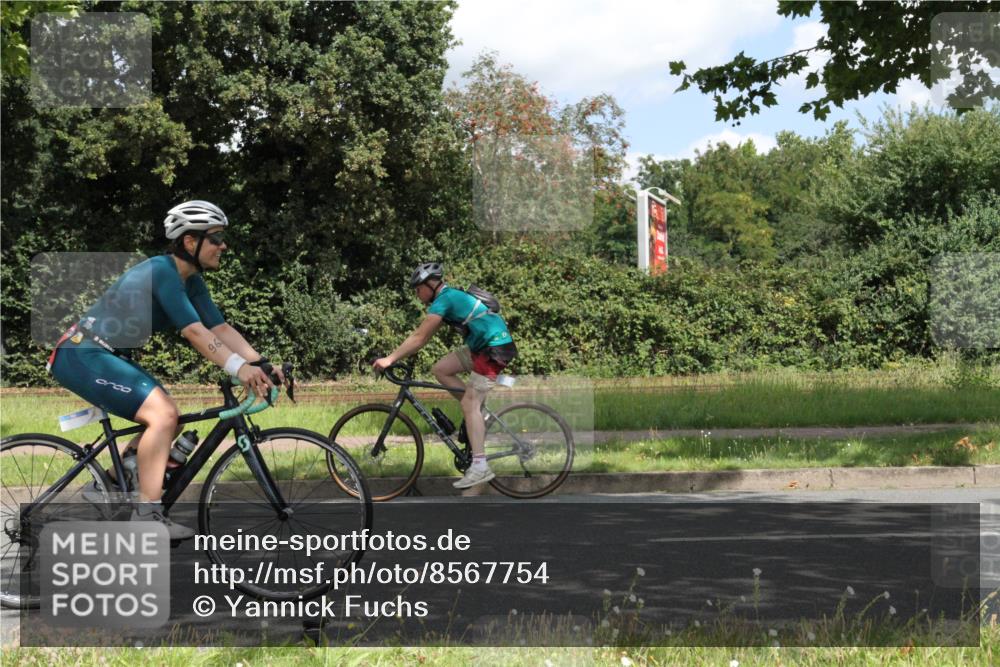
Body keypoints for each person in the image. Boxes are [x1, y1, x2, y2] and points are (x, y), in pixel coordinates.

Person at [48, 200, 281, 539]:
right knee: (164, 415)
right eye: (216, 238)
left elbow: (220, 329)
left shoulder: (191, 281)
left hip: (104, 354)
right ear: (190, 241)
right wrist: (239, 368)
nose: (223, 246)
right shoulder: (162, 271)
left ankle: (110, 483)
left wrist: (260, 364)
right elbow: (194, 331)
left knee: (168, 419)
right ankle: (146, 518)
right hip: (84, 353)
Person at [373, 262, 517, 488]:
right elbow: (422, 336)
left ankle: (480, 467)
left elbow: (420, 338)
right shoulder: (447, 298)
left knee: (469, 403)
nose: (417, 293)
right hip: (480, 345)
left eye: (418, 288)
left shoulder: (445, 299)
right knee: (441, 369)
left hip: (493, 348)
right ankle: (478, 414)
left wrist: (390, 359)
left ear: (431, 284)